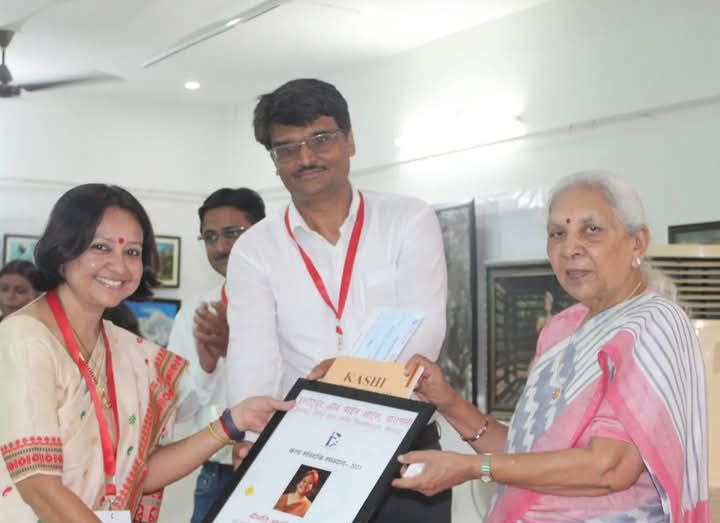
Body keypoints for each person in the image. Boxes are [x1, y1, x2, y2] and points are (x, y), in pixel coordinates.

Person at [393, 171, 709, 522]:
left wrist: (472, 467)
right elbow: (525, 456)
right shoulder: (561, 330)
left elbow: (610, 466)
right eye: (557, 233)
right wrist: (448, 402)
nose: (570, 248)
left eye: (591, 229)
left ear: (637, 242)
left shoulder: (654, 323)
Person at [225, 78, 450, 523]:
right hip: (302, 449)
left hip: (403, 443)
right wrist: (251, 438)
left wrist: (344, 377)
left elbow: (424, 331)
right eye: (286, 148)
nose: (306, 158)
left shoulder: (408, 219)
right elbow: (253, 357)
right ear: (273, 161)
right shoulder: (255, 249)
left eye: (321, 139)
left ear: (350, 140)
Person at [0, 184, 292, 523]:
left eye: (132, 252)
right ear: (64, 250)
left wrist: (233, 422)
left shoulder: (124, 349)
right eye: (101, 247)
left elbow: (138, 473)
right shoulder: (24, 340)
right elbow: (39, 488)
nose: (119, 266)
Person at [167, 187, 266, 523]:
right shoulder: (196, 310)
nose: (221, 247)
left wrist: (235, 350)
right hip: (216, 469)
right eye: (210, 237)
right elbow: (177, 410)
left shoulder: (290, 300)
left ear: (262, 233)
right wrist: (206, 369)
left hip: (276, 462)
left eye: (232, 233)